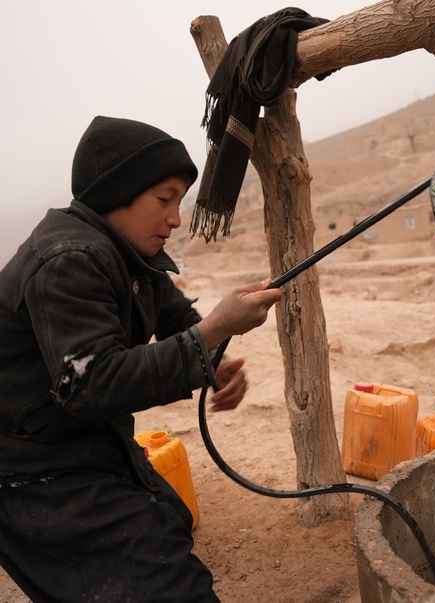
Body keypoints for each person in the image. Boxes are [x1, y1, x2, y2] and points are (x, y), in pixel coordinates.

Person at [0, 115, 283, 602]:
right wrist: (215, 329)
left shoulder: (128, 253)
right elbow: (92, 385)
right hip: (29, 469)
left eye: (179, 201)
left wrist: (213, 363)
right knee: (168, 582)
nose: (176, 218)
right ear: (117, 194)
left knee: (169, 520)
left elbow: (175, 319)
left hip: (78, 446)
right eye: (164, 199)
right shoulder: (69, 260)